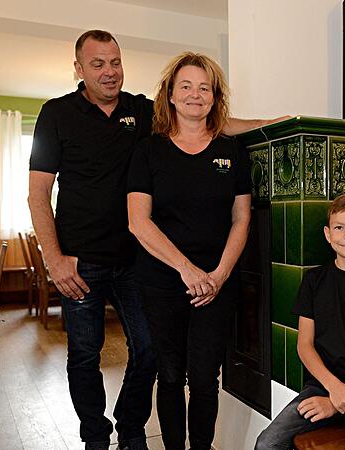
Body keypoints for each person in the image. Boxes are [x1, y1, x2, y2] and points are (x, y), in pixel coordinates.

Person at [29, 31, 283, 450]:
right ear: (78, 69)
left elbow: (204, 116)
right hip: (80, 260)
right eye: (97, 64)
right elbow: (38, 194)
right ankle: (95, 437)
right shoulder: (56, 114)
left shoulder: (141, 111)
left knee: (148, 352)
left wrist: (268, 126)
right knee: (84, 356)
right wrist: (53, 258)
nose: (109, 72)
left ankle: (131, 431)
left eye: (115, 62)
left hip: (135, 260)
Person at [126, 52, 252, 450]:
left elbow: (242, 219)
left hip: (217, 284)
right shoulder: (148, 151)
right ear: (171, 95)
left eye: (204, 88)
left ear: (214, 98)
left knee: (203, 379)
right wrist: (187, 270)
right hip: (163, 281)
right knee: (169, 373)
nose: (195, 95)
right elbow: (138, 222)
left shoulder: (232, 151)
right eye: (186, 86)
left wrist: (218, 276)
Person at [256, 193, 345, 450]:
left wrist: (343, 396)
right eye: (339, 228)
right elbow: (304, 346)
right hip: (321, 385)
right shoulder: (313, 282)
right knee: (267, 443)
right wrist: (333, 390)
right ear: (328, 234)